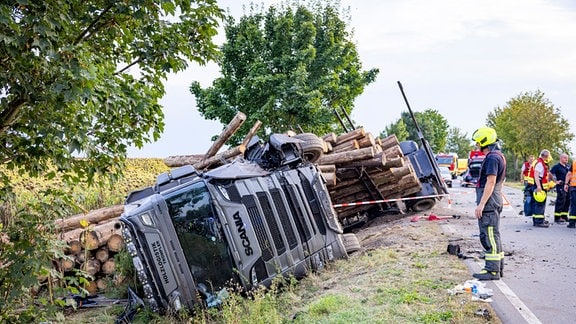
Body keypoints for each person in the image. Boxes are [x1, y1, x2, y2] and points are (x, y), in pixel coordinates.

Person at [471, 126, 506, 281]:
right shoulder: (499, 156)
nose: (477, 146)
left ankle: (492, 271)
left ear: (485, 141)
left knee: (489, 235)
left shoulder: (492, 158)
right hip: (495, 198)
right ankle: (498, 267)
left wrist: (482, 204)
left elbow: (491, 181)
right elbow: (501, 181)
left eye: (478, 143)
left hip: (490, 201)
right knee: (494, 234)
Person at [526, 149, 554, 227]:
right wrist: (538, 186)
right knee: (540, 203)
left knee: (537, 203)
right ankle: (538, 222)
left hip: (538, 184)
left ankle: (538, 220)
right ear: (546, 156)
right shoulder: (540, 163)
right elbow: (536, 175)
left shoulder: (538, 162)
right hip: (539, 184)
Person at [550, 153, 570, 223]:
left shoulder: (568, 166)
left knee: (567, 201)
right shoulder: (557, 166)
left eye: (567, 158)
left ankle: (564, 216)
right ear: (561, 158)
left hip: (567, 185)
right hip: (561, 186)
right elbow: (550, 173)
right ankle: (557, 217)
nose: (566, 159)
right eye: (565, 158)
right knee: (561, 201)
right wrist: (555, 181)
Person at [564, 158, 576, 229]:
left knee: (574, 205)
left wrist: (566, 184)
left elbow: (569, 174)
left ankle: (572, 223)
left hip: (574, 187)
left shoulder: (574, 163)